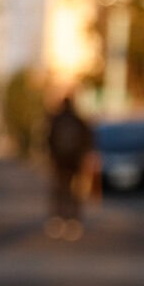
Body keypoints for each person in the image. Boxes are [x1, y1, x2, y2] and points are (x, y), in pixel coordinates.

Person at [44, 92, 93, 239]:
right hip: (75, 162)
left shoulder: (56, 119)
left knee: (59, 191)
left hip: (59, 161)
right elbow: (88, 139)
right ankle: (74, 221)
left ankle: (57, 220)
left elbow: (49, 140)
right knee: (75, 193)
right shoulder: (78, 120)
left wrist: (51, 157)